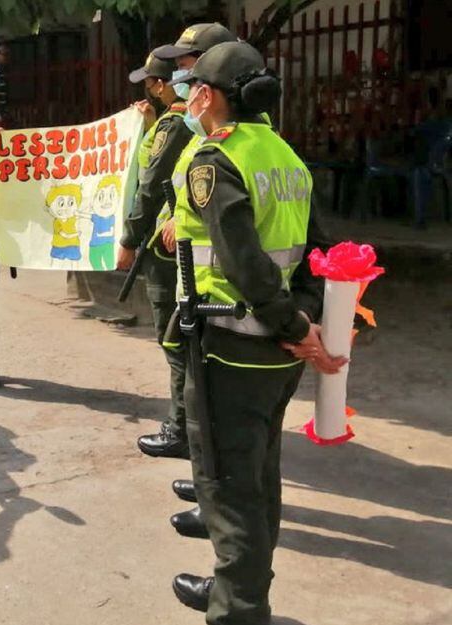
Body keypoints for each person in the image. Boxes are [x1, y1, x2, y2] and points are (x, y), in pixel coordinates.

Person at [164, 42, 346, 623]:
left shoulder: (213, 160)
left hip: (229, 348)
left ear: (209, 95)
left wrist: (296, 325)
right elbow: (316, 249)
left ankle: (239, 610)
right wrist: (305, 325)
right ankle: (236, 588)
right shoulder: (284, 154)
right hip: (278, 353)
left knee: (227, 486)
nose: (187, 93)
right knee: (260, 473)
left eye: (194, 84)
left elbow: (245, 264)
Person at [129, 23, 240, 463]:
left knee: (184, 348)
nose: (181, 79)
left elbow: (167, 184)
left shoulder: (228, 134)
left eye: (187, 68)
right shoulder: (201, 126)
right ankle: (197, 440)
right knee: (189, 349)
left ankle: (190, 436)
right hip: (195, 260)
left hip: (208, 269)